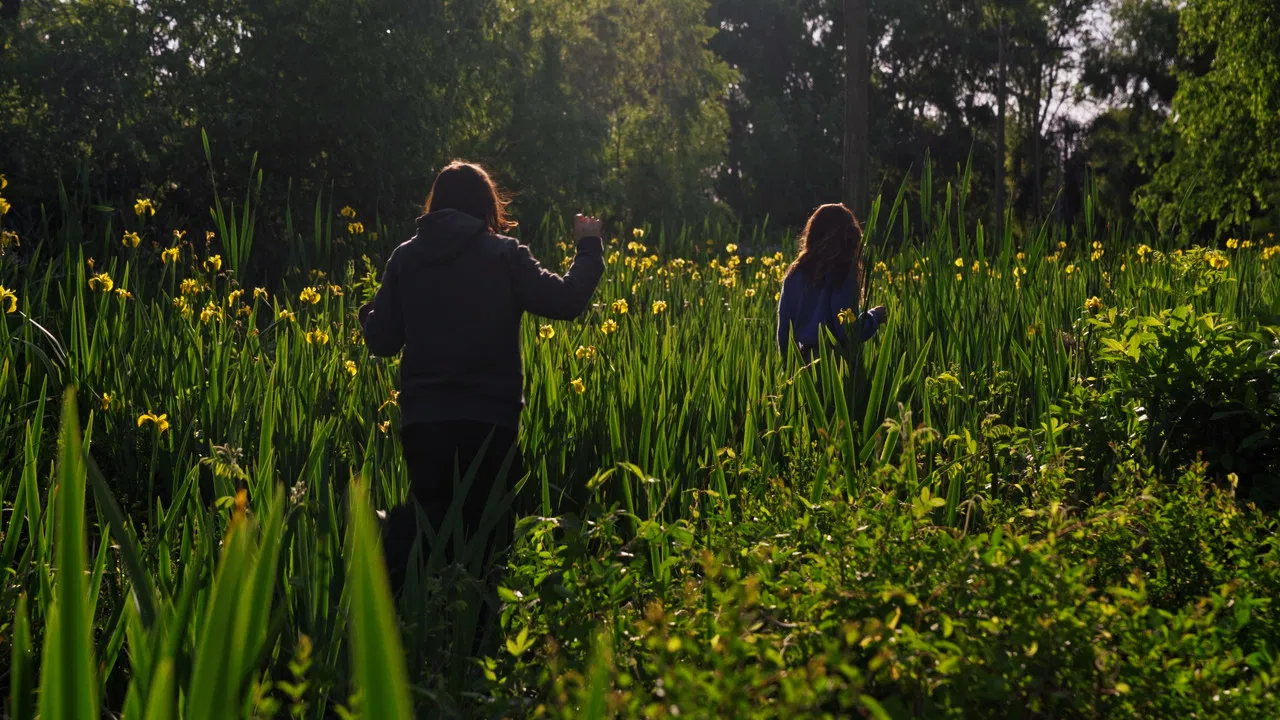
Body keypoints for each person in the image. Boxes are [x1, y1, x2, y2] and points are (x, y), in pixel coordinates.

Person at [359, 160, 605, 593]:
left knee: (429, 524)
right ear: (487, 206)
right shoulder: (504, 255)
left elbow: (381, 341)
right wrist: (588, 249)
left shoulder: (406, 256)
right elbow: (567, 301)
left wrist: (366, 314)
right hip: (490, 421)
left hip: (425, 420)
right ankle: (478, 636)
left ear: (435, 204)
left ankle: (411, 614)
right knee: (487, 536)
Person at [776, 203, 887, 358]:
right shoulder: (841, 272)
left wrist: (788, 370)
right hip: (836, 362)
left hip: (803, 364)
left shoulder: (794, 273)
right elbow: (847, 331)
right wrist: (875, 317)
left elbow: (784, 331)